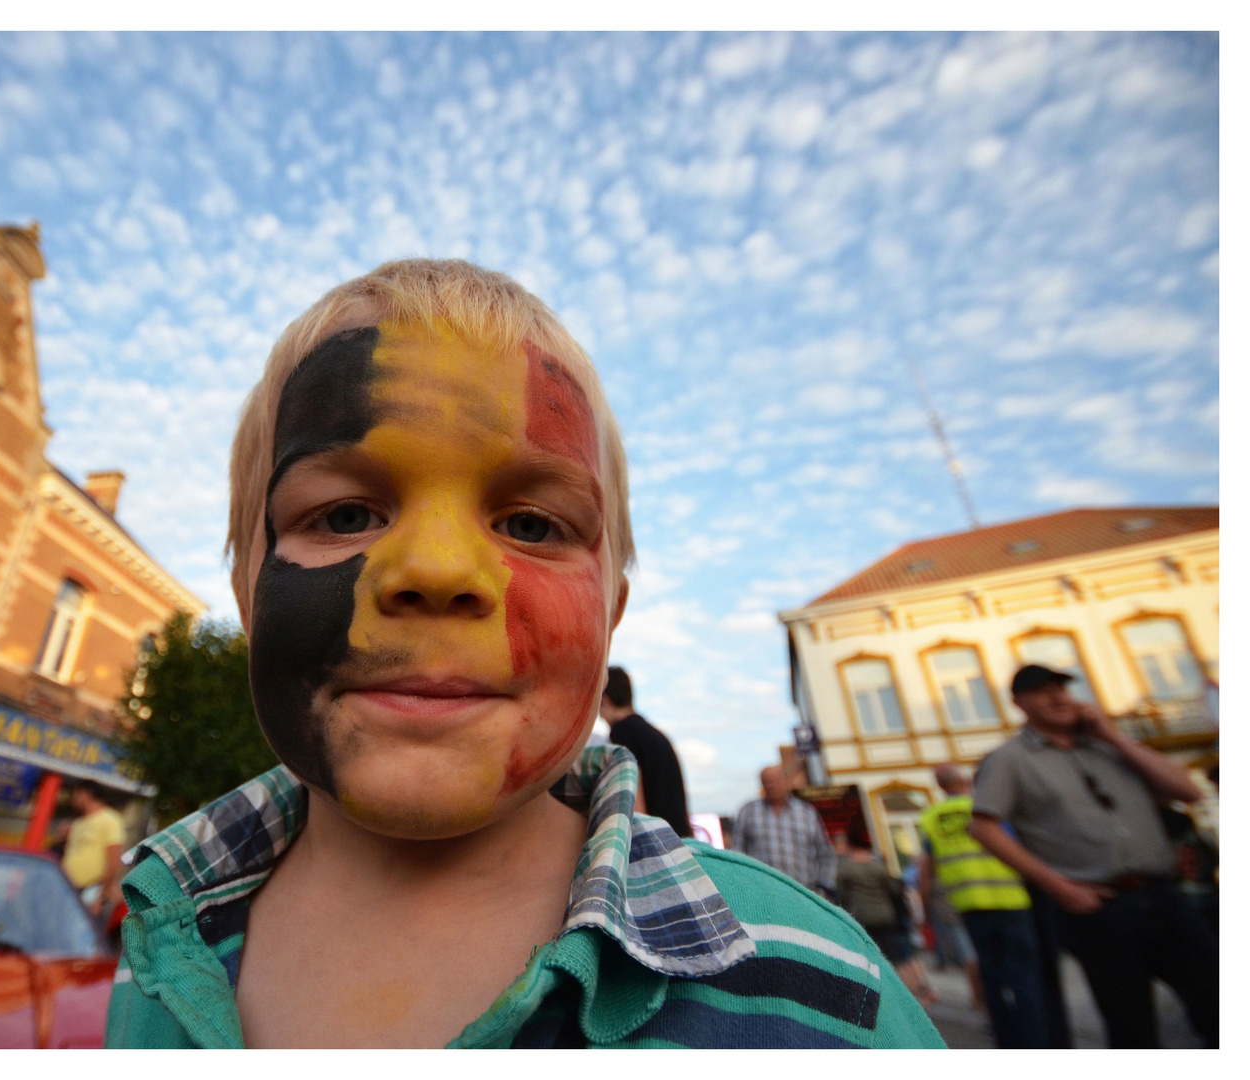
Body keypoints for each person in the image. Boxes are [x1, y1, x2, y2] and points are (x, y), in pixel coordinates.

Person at [103, 259, 943, 1048]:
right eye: (346, 516)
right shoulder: (157, 957)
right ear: (248, 594)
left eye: (531, 526)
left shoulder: (824, 985)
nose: (434, 571)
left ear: (610, 616)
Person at [968, 664, 1218, 1048]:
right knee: (1132, 1028)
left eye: (1063, 688)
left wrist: (1113, 736)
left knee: (1217, 1005)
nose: (1058, 697)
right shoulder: (1010, 759)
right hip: (1100, 909)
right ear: (1018, 703)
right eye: (1042, 690)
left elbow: (1188, 790)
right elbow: (983, 827)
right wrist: (1058, 886)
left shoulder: (1108, 747)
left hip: (1165, 896)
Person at [918, 763, 1048, 1047]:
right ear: (964, 781)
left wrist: (925, 912)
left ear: (940, 787)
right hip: (1012, 900)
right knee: (1025, 976)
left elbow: (924, 870)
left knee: (991, 975)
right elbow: (1022, 849)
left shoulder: (931, 817)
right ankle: (1036, 1040)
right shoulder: (990, 808)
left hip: (969, 905)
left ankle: (1005, 1038)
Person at [835, 826, 937, 1006]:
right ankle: (917, 995)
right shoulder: (878, 866)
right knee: (898, 957)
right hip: (886, 916)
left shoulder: (846, 869)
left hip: (862, 918)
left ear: (850, 844)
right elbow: (894, 890)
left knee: (868, 958)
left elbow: (842, 896)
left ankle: (875, 996)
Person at [598, 665, 691, 835]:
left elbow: (633, 792)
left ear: (606, 699)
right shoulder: (654, 734)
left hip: (657, 840)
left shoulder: (622, 731)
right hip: (678, 835)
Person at [730, 763, 837, 899]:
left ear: (786, 782)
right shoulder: (748, 811)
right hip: (762, 894)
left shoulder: (806, 812)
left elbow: (825, 852)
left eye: (775, 781)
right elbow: (737, 852)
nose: (772, 786)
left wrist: (824, 888)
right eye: (767, 782)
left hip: (805, 894)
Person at [62, 781, 127, 919]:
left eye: (76, 794)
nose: (72, 798)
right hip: (68, 889)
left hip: (91, 892)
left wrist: (100, 897)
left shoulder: (110, 820)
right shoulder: (78, 823)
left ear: (87, 794)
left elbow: (114, 859)